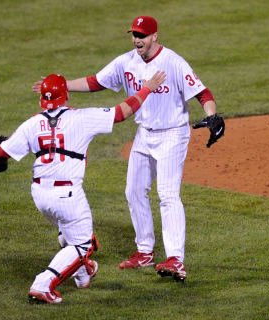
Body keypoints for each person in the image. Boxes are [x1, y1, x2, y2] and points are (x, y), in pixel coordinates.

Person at [32, 16, 224, 281]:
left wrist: (212, 115)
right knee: (133, 191)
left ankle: (176, 260)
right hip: (144, 133)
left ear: (154, 36)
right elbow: (96, 82)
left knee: (167, 195)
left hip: (172, 135)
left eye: (142, 35)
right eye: (134, 34)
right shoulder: (127, 61)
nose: (137, 40)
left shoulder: (173, 62)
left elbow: (203, 93)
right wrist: (61, 86)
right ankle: (145, 252)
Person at [0, 71, 166, 303]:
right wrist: (148, 88)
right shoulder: (81, 118)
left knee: (69, 232)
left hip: (40, 195)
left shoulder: (31, 124)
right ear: (66, 95)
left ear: (43, 99)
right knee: (83, 244)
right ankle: (43, 284)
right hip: (67, 194)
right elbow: (122, 112)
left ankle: (83, 273)